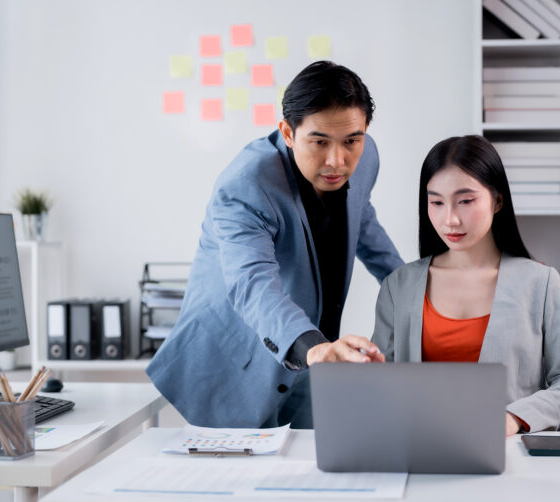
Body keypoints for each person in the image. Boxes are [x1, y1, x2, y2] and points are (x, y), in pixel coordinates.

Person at [147, 61, 402, 429]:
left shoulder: (365, 157)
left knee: (313, 473)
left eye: (351, 141)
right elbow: (252, 285)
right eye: (319, 142)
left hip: (313, 355)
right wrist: (313, 348)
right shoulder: (246, 184)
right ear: (287, 132)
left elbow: (362, 220)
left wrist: (414, 289)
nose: (337, 160)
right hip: (235, 362)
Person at [371, 135, 560, 435]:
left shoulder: (540, 283)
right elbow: (381, 384)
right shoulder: (398, 286)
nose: (449, 219)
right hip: (420, 447)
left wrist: (514, 419)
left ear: (497, 200)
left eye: (465, 201)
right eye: (436, 202)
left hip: (508, 453)